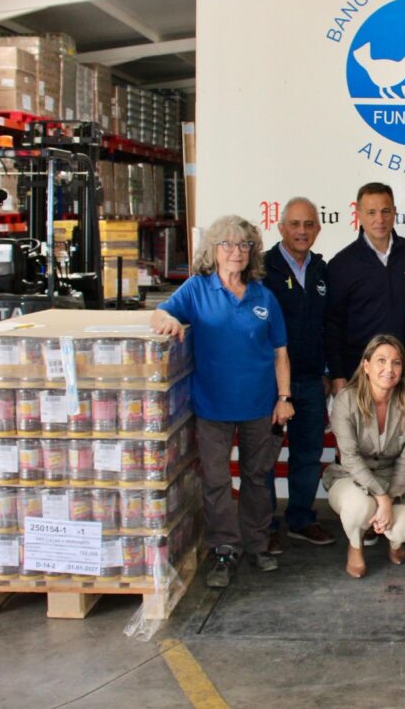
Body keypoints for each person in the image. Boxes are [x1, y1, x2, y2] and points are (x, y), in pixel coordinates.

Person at [151, 215, 294, 589]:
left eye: (244, 245)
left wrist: (283, 398)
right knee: (216, 481)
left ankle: (257, 544)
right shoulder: (197, 289)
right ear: (213, 251)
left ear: (253, 252)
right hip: (212, 406)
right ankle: (225, 549)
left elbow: (280, 353)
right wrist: (166, 319)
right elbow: (160, 311)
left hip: (260, 407)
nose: (236, 252)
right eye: (228, 245)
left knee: (257, 478)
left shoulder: (265, 296)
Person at [263, 197, 335, 553]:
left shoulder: (322, 270)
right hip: (268, 384)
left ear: (318, 229)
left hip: (310, 380)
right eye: (295, 224)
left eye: (309, 224)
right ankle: (263, 527)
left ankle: (301, 520)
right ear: (281, 227)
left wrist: (326, 370)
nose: (302, 231)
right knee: (263, 457)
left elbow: (328, 325)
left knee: (307, 455)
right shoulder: (261, 269)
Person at [322, 335, 405, 579]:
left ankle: (394, 542)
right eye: (381, 361)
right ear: (366, 365)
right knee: (359, 508)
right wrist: (382, 499)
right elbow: (350, 458)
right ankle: (355, 546)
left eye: (396, 363)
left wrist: (394, 495)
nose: (389, 369)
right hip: (349, 475)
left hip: (393, 476)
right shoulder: (346, 398)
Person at [326, 182, 405, 394]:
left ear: (394, 211)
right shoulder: (341, 264)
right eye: (371, 212)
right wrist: (337, 374)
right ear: (358, 214)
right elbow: (332, 324)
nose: (379, 219)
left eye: (385, 211)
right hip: (360, 375)